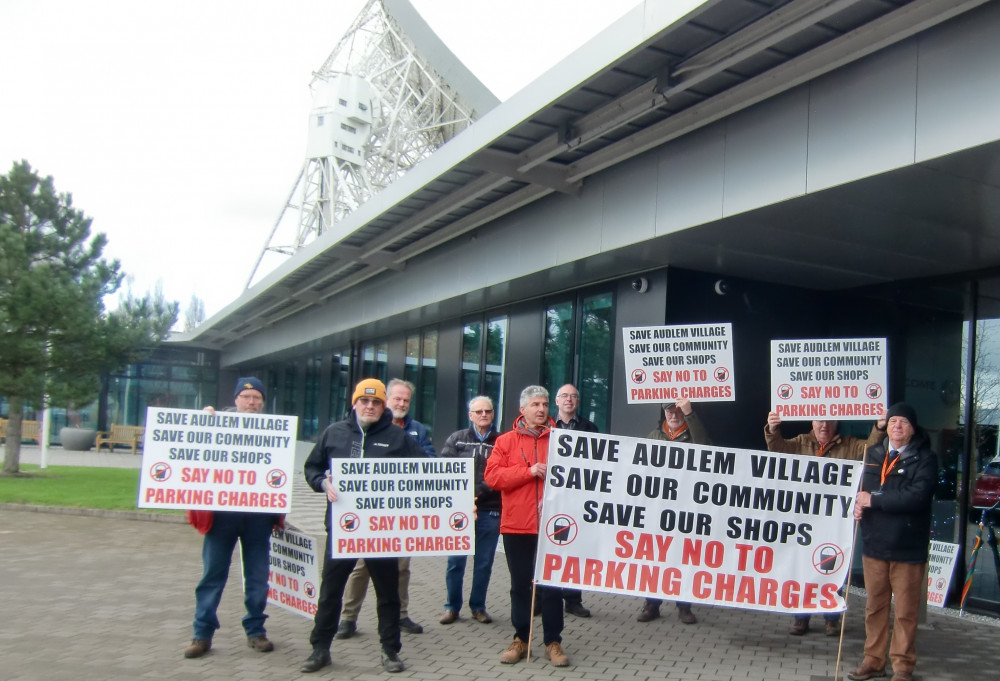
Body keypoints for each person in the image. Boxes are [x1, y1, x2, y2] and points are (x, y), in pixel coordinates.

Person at [299, 378, 424, 674]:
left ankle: (390, 650)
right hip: (342, 530)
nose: (370, 406)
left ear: (384, 406)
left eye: (376, 402)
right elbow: (312, 467)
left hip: (382, 532)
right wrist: (322, 482)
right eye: (364, 401)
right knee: (330, 591)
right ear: (354, 403)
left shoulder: (398, 437)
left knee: (388, 593)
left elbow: (425, 472)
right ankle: (320, 648)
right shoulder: (334, 432)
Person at [183, 377, 283, 659]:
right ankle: (201, 633)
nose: (252, 403)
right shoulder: (215, 424)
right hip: (222, 514)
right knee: (212, 575)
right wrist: (202, 421)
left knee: (258, 576)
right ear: (236, 399)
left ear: (262, 403)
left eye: (257, 399)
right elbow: (193, 447)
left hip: (258, 517)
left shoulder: (273, 431)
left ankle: (256, 630)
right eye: (246, 397)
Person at [765, 411, 885, 636]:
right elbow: (777, 449)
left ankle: (832, 618)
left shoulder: (848, 445)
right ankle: (801, 617)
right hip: (804, 519)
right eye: (820, 420)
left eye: (830, 421)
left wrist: (879, 428)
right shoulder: (801, 442)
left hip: (834, 522)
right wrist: (772, 429)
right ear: (812, 422)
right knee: (802, 568)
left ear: (837, 423)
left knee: (833, 566)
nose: (824, 425)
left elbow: (870, 449)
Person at [336, 378, 434, 639]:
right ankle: (348, 618)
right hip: (364, 513)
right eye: (397, 399)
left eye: (406, 400)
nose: (401, 404)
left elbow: (430, 462)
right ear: (385, 400)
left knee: (401, 567)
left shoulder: (417, 430)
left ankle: (400, 616)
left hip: (400, 512)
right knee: (361, 567)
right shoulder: (364, 428)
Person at [848, 403, 937, 681]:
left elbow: (916, 497)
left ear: (913, 428)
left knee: (906, 612)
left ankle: (902, 667)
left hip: (907, 547)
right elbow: (861, 490)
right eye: (893, 420)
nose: (897, 425)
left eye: (904, 422)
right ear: (885, 425)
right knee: (875, 607)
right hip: (875, 544)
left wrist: (873, 500)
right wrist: (859, 504)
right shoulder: (873, 454)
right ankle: (873, 660)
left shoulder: (925, 458)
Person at [484, 385, 569, 667]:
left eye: (545, 404)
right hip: (516, 526)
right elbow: (493, 477)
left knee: (552, 586)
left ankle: (553, 641)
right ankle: (521, 638)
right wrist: (528, 471)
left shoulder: (563, 440)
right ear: (523, 410)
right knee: (520, 584)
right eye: (535, 405)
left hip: (552, 527)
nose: (542, 409)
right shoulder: (505, 442)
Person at [636, 398, 708, 625]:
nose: (673, 414)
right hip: (658, 508)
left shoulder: (694, 433)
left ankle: (684, 605)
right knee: (655, 556)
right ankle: (652, 603)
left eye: (677, 410)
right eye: (669, 410)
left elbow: (706, 449)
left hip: (685, 507)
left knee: (683, 556)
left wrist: (691, 414)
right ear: (664, 413)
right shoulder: (653, 436)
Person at [439, 395, 501, 625]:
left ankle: (478, 606)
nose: (484, 414)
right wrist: (465, 497)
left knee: (484, 563)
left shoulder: (501, 441)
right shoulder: (457, 439)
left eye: (488, 411)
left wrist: (477, 492)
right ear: (470, 415)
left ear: (493, 414)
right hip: (459, 511)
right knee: (455, 562)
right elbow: (446, 470)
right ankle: (451, 607)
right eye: (479, 411)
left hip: (490, 509)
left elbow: (501, 474)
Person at [551, 383, 596, 618]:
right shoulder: (545, 427)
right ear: (557, 401)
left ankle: (573, 599)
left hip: (578, 497)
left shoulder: (590, 428)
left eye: (574, 397)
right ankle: (543, 597)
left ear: (578, 402)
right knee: (547, 547)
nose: (569, 400)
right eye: (564, 396)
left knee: (574, 549)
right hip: (550, 498)